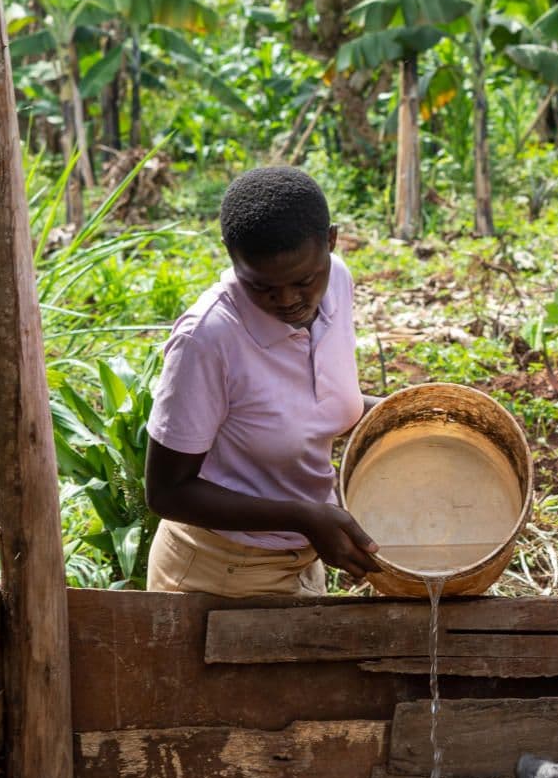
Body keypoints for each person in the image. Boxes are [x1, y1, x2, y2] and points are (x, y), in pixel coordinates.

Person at [144, 166, 381, 598]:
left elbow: (312, 404)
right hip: (219, 573)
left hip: (305, 559)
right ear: (231, 256)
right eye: (261, 287)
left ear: (331, 241)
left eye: (304, 280)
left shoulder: (337, 283)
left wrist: (394, 412)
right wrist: (305, 517)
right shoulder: (209, 339)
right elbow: (166, 492)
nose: (288, 300)